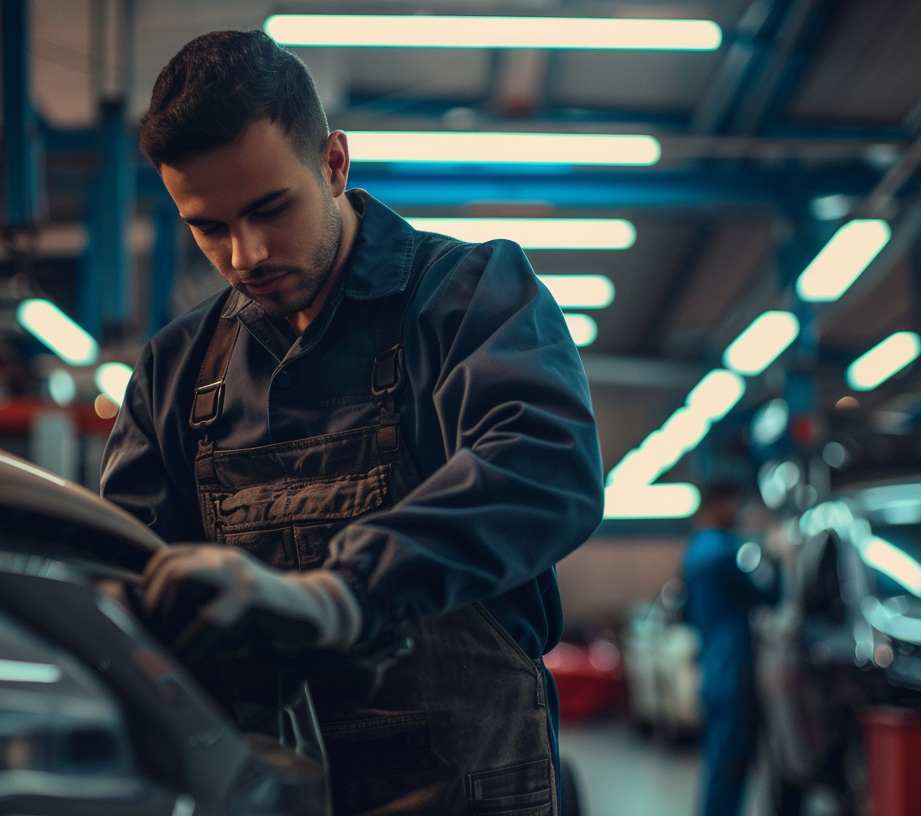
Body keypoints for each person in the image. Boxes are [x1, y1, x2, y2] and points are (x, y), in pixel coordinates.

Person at [99, 29, 605, 815]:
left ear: (334, 162)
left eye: (271, 208)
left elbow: (544, 466)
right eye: (209, 227)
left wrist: (347, 594)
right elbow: (120, 571)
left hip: (466, 788)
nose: (247, 254)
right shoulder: (177, 369)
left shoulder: (466, 296)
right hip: (264, 789)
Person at [681, 481, 778, 816]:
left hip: (713, 666)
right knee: (731, 761)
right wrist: (779, 558)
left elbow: (689, 613)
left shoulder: (695, 550)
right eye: (735, 503)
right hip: (734, 668)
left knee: (719, 758)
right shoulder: (723, 552)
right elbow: (766, 595)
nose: (738, 512)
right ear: (719, 504)